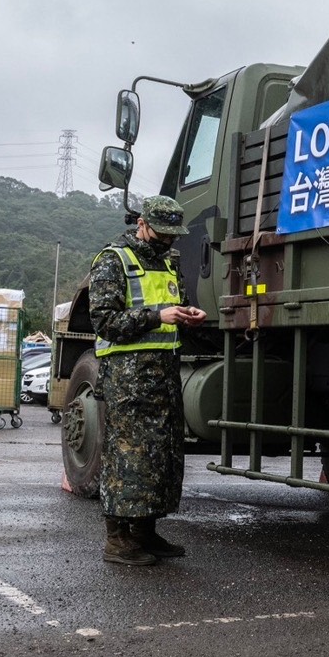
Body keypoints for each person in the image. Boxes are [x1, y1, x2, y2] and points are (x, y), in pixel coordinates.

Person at [89, 195, 207, 566]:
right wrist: (158, 316)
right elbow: (106, 322)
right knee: (129, 456)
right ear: (143, 223)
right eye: (162, 232)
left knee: (162, 456)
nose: (168, 240)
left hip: (163, 374)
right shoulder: (114, 260)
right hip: (128, 379)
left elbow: (170, 308)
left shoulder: (169, 263)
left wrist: (186, 313)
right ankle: (117, 540)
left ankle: (144, 531)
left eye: (174, 234)